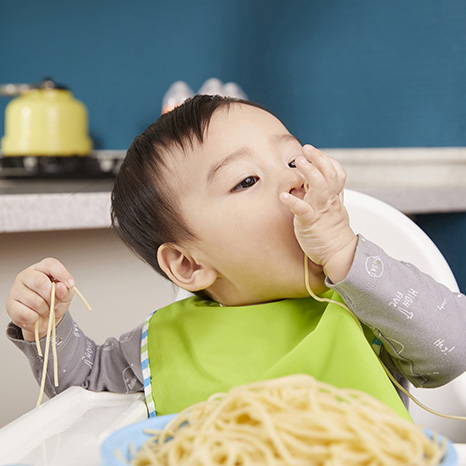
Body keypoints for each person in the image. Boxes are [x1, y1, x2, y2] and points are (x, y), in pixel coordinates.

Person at [6, 95, 466, 418]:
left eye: (292, 160)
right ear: (188, 264)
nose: (296, 180)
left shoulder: (365, 308)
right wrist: (48, 329)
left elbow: (455, 344)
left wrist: (346, 252)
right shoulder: (162, 342)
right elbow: (83, 388)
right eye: (246, 180)